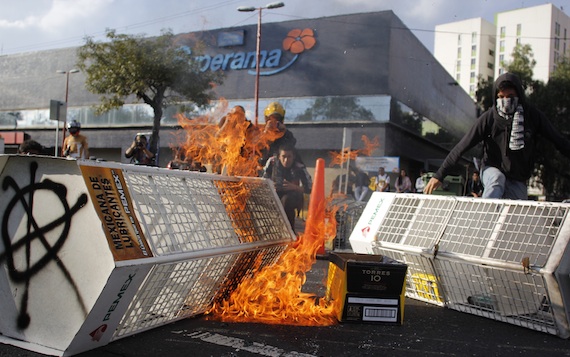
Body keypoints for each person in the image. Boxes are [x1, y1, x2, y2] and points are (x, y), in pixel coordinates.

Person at [424, 72, 570, 200]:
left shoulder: (532, 116)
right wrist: (439, 175)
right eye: (501, 97)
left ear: (519, 95)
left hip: (517, 177)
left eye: (511, 96)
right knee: (496, 179)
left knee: (517, 212)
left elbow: (558, 140)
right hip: (491, 168)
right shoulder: (489, 118)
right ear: (496, 98)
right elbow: (462, 146)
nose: (506, 101)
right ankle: (485, 218)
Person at [263, 144, 312, 233]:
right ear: (279, 156)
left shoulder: (299, 167)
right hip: (273, 194)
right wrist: (270, 185)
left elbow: (310, 188)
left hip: (293, 196)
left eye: (289, 157)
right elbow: (262, 180)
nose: (286, 160)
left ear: (293, 157)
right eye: (283, 157)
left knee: (286, 201)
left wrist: (295, 187)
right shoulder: (272, 162)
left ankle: (289, 232)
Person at [260, 102, 297, 166]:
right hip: (263, 167)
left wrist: (284, 132)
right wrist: (265, 133)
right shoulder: (260, 132)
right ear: (266, 120)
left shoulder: (286, 135)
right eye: (271, 119)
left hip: (280, 168)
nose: (274, 122)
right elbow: (256, 147)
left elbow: (291, 146)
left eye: (277, 119)